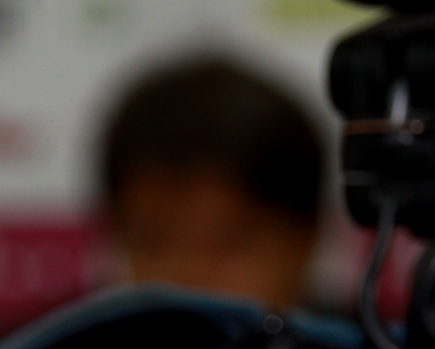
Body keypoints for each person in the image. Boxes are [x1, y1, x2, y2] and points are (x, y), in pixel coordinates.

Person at [100, 56, 324, 313]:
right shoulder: (79, 337)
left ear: (306, 241)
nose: (187, 281)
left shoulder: (362, 339)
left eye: (227, 245)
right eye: (152, 245)